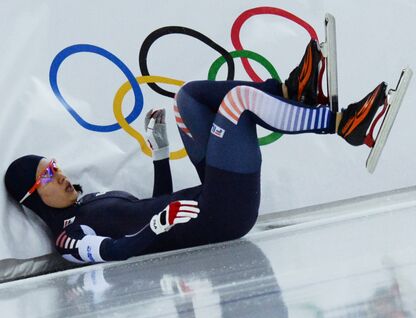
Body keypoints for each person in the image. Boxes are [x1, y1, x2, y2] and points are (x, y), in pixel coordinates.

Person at [4, 40, 388, 264]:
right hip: (222, 215)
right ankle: (343, 125)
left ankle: (290, 91)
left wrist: (160, 154)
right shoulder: (68, 239)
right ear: (31, 195)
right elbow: (118, 251)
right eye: (48, 175)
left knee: (188, 98)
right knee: (237, 103)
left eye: (54, 165)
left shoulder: (90, 203)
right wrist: (158, 226)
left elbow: (156, 206)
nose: (61, 173)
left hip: (210, 198)